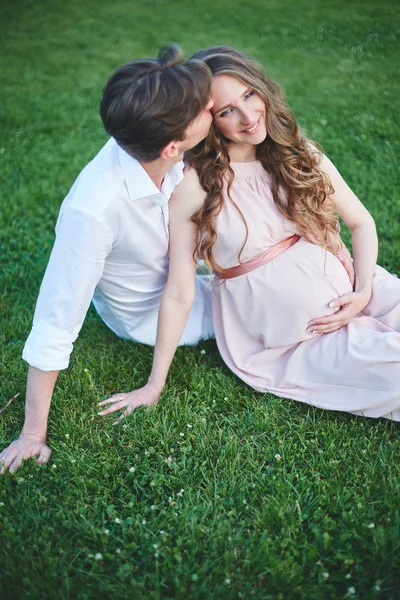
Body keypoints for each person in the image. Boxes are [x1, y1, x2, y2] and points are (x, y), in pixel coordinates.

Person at [97, 45, 400, 425]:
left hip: (355, 289)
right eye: (227, 111)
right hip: (297, 337)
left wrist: (365, 289)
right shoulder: (197, 188)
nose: (248, 117)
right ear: (208, 120)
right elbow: (179, 291)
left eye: (249, 95)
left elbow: (361, 223)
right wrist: (154, 385)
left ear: (262, 88)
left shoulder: (297, 153)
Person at [0, 44, 215, 474]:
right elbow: (55, 322)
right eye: (204, 108)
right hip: (155, 312)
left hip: (191, 268)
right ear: (173, 147)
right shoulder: (93, 212)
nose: (214, 105)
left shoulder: (146, 135)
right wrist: (32, 434)